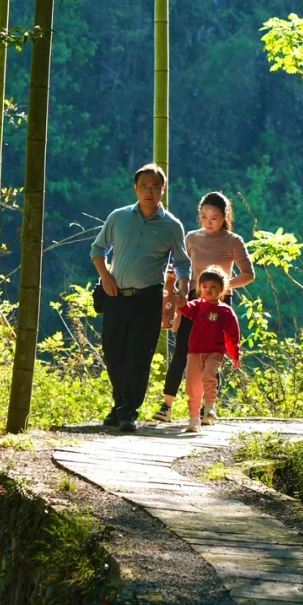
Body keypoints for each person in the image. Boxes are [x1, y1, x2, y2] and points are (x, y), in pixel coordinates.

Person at [91, 164, 190, 430]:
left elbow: (182, 262)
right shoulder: (119, 217)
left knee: (139, 355)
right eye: (144, 186)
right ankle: (119, 403)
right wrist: (106, 277)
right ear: (136, 188)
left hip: (148, 298)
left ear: (163, 189)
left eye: (155, 187)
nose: (150, 192)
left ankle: (129, 411)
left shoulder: (172, 226)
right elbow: (98, 249)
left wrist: (183, 285)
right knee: (113, 353)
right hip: (115, 295)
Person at [152, 190, 254, 424]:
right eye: (205, 217)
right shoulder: (191, 238)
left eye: (215, 218)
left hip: (219, 304)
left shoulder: (233, 241)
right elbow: (180, 267)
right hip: (192, 301)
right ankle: (167, 406)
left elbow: (248, 274)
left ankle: (208, 408)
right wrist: (178, 290)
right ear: (199, 216)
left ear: (225, 216)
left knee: (211, 354)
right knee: (182, 352)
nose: (209, 222)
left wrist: (223, 287)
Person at [180, 266, 241, 433]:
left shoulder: (225, 311)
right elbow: (184, 308)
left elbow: (232, 335)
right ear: (199, 288)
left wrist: (235, 354)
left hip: (215, 352)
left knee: (209, 375)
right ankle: (194, 420)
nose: (208, 290)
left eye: (213, 287)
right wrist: (175, 291)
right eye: (204, 286)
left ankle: (210, 406)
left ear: (221, 290)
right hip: (194, 352)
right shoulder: (198, 306)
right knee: (193, 386)